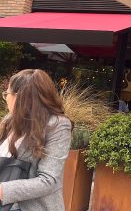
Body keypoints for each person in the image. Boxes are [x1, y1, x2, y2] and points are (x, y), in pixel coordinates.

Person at [0, 69, 72, 211]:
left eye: (6, 94)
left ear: (20, 98)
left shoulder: (58, 125)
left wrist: (2, 190)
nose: (5, 98)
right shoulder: (10, 120)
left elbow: (48, 180)